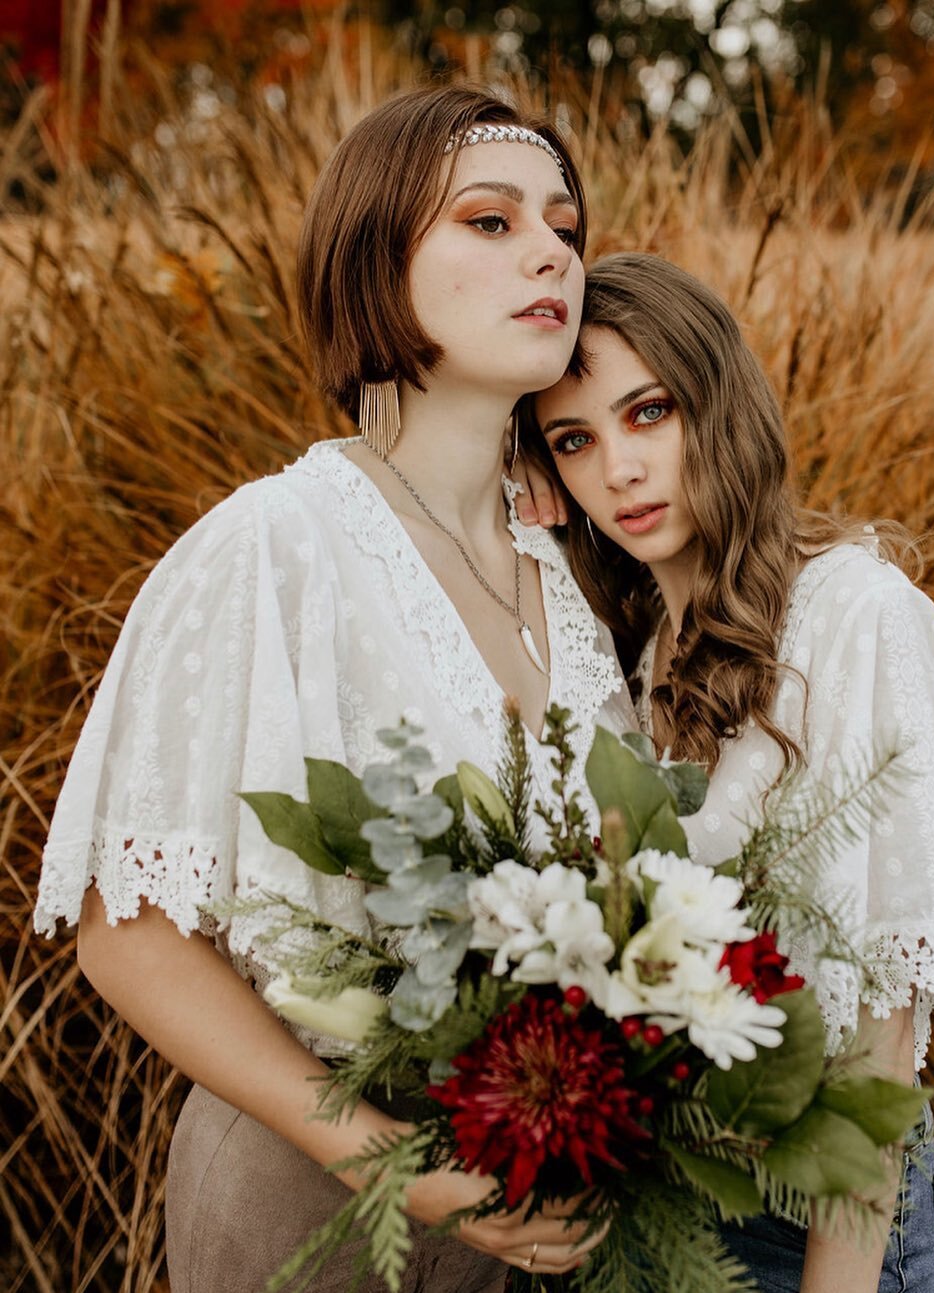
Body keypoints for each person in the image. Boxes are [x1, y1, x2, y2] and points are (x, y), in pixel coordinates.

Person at [33, 86, 637, 1293]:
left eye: (564, 227)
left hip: (550, 1219)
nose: (549, 252)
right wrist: (392, 1155)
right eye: (487, 220)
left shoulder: (573, 573)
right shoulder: (270, 547)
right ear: (374, 257)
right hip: (314, 1212)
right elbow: (130, 934)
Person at [521, 252, 934, 1293]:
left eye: (647, 413)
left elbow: (875, 1037)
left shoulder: (855, 616)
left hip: (818, 1218)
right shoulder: (630, 655)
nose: (618, 469)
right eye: (574, 440)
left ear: (717, 401)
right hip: (656, 1208)